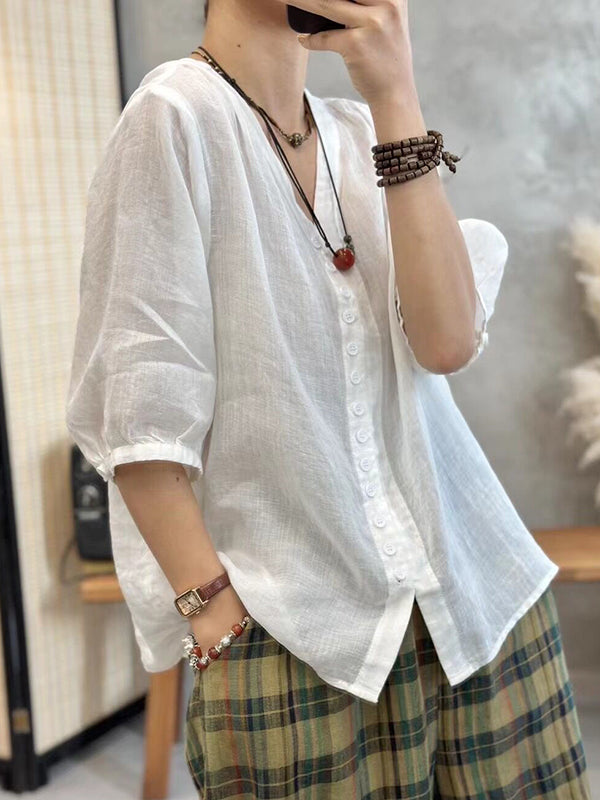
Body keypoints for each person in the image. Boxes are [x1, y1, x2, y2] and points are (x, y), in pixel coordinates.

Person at [65, 0, 592, 797]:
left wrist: (396, 95)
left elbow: (447, 342)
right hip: (300, 635)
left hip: (475, 600)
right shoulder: (174, 118)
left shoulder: (357, 129)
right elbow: (138, 413)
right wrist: (217, 622)